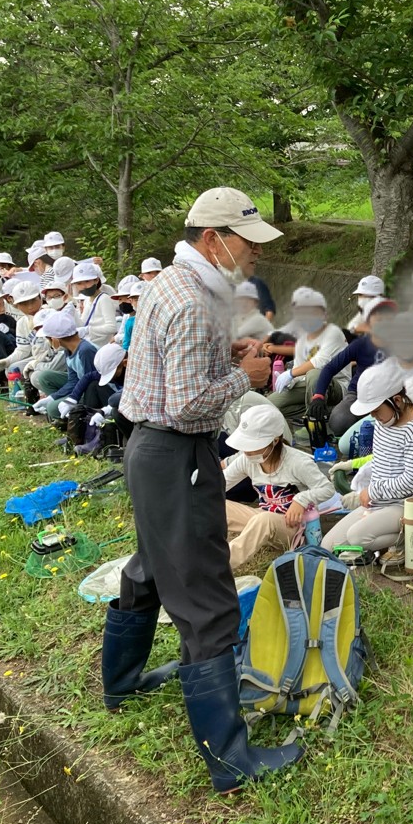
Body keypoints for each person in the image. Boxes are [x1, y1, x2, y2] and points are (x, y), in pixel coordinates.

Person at [107, 186, 299, 791]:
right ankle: (230, 759)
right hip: (177, 454)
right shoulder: (194, 302)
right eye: (248, 242)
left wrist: (228, 351)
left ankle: (124, 682)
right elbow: (188, 403)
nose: (255, 255)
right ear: (214, 240)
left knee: (152, 567)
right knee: (207, 598)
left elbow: (169, 369)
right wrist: (241, 377)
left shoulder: (170, 282)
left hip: (148, 451)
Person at [321, 364, 413, 555]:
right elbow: (380, 462)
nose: (373, 415)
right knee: (327, 545)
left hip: (403, 506)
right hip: (377, 503)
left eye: (377, 410)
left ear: (397, 400)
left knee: (356, 537)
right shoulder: (381, 425)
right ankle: (385, 540)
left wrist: (372, 490)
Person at [221, 404, 335, 570]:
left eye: (253, 445)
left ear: (274, 440)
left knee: (264, 519)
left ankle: (221, 565)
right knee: (218, 504)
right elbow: (220, 484)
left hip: (292, 527)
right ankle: (196, 550)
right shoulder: (247, 460)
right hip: (264, 517)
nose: (247, 451)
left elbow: (327, 489)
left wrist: (301, 500)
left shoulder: (297, 462)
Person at [308, 297, 395, 436]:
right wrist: (318, 395)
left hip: (391, 396)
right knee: (338, 421)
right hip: (359, 394)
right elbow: (330, 368)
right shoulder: (360, 344)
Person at [268, 287, 346, 423]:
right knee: (269, 405)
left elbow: (320, 362)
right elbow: (299, 370)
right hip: (308, 386)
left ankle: (314, 423)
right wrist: (289, 382)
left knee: (315, 373)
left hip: (336, 386)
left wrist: (290, 373)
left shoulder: (333, 333)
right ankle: (322, 412)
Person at [32, 310, 99, 423]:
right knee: (45, 376)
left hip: (90, 391)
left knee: (52, 408)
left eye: (48, 339)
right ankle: (63, 413)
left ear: (55, 339)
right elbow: (73, 380)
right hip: (80, 385)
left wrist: (71, 399)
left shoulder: (85, 351)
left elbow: (92, 384)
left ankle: (75, 418)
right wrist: (52, 397)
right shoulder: (68, 350)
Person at [71, 261, 118, 347]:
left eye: (87, 281)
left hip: (101, 346)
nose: (84, 286)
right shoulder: (87, 300)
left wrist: (89, 330)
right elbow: (83, 324)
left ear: (96, 280)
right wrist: (72, 312)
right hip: (89, 343)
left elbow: (112, 327)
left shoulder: (104, 299)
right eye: (79, 283)